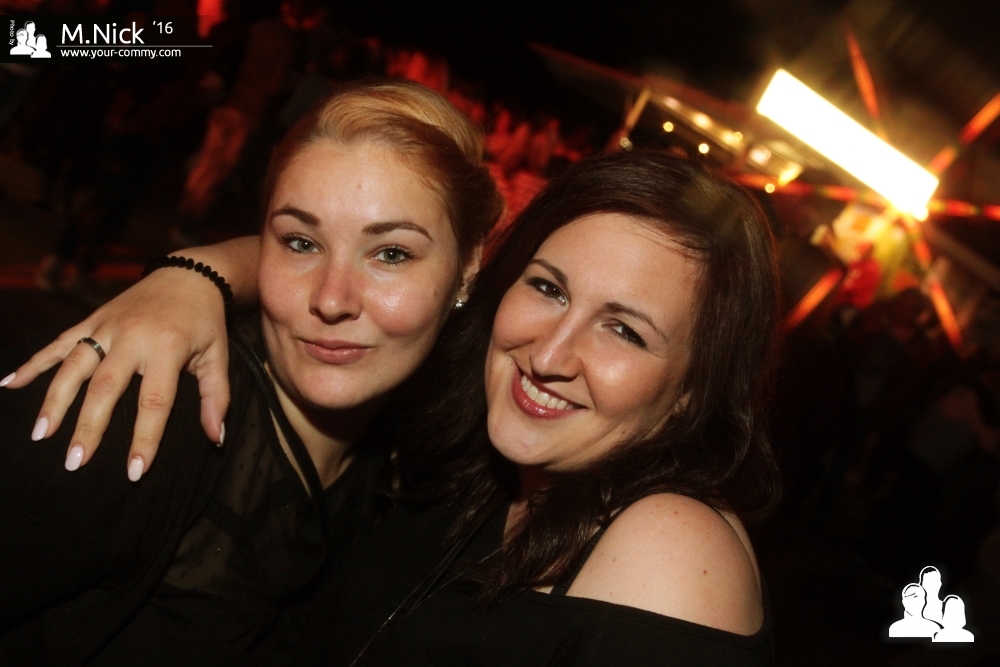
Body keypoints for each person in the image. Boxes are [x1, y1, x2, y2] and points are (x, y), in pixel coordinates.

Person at [9, 150, 780, 665]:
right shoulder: (467, 451)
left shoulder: (671, 547)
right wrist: (194, 276)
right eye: (548, 288)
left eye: (624, 330)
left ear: (693, 389)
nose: (549, 353)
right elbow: (359, 267)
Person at [0, 79, 502, 664]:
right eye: (301, 243)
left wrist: (204, 269)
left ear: (468, 267)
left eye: (391, 253)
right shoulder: (135, 419)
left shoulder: (419, 464)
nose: (332, 299)